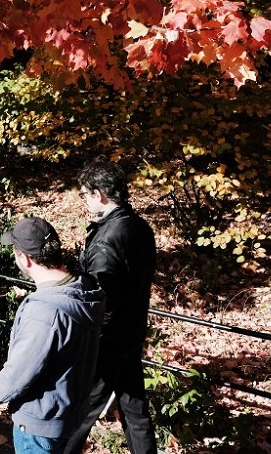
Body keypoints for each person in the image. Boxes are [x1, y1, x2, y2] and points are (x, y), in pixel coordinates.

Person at [0, 217, 106, 453]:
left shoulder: (44, 311)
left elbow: (18, 375)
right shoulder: (84, 290)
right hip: (71, 415)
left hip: (41, 425)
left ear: (23, 258)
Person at [63, 159, 158, 454]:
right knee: (135, 411)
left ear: (99, 194)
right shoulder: (140, 226)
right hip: (131, 332)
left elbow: (98, 298)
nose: (83, 200)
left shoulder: (106, 241)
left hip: (107, 341)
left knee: (81, 412)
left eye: (85, 194)